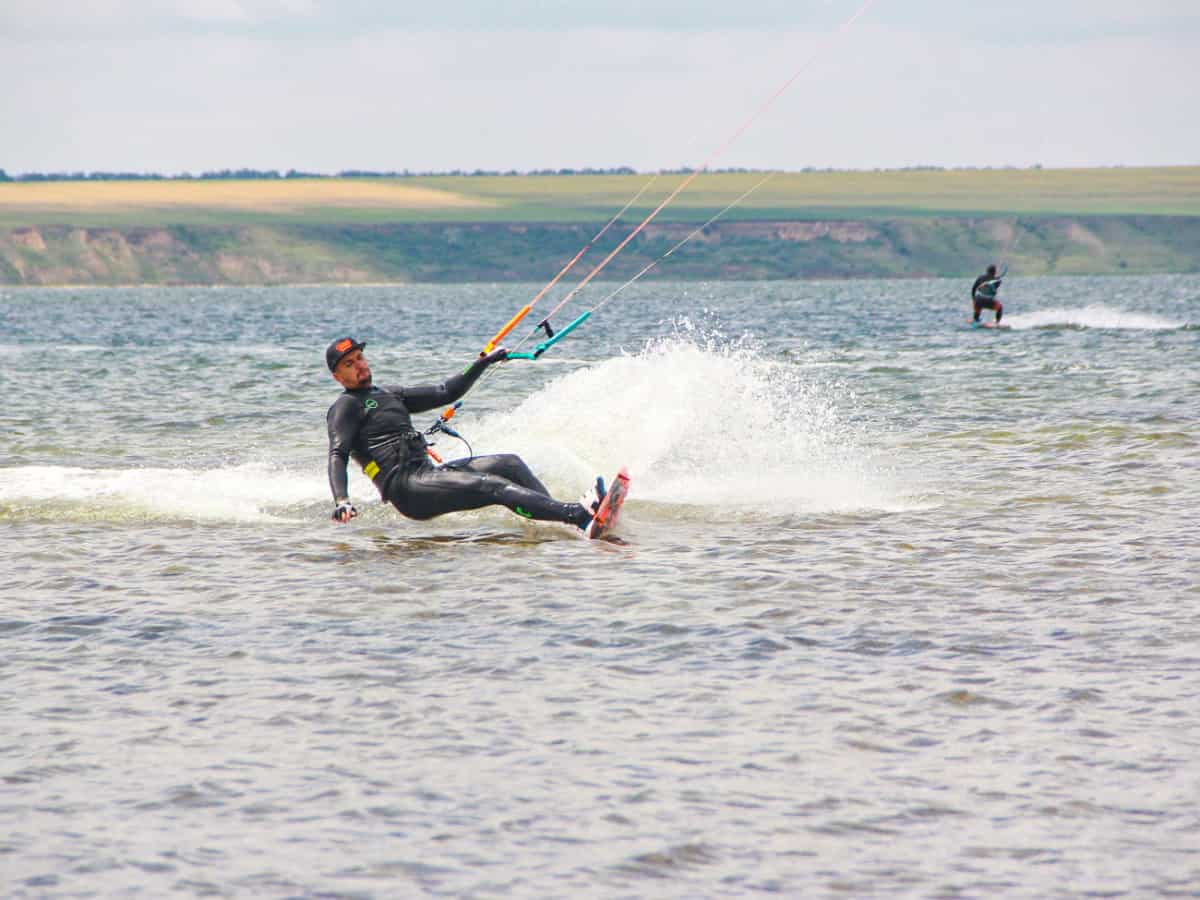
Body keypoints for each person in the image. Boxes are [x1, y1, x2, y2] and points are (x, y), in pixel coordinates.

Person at [325, 336, 601, 531]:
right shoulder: (345, 406)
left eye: (360, 357)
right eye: (349, 364)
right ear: (338, 376)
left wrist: (484, 362)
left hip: (427, 472)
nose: (359, 365)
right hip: (407, 488)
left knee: (509, 464)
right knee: (490, 485)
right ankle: (575, 515)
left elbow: (446, 391)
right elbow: (338, 454)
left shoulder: (389, 394)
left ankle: (562, 520)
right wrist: (342, 500)